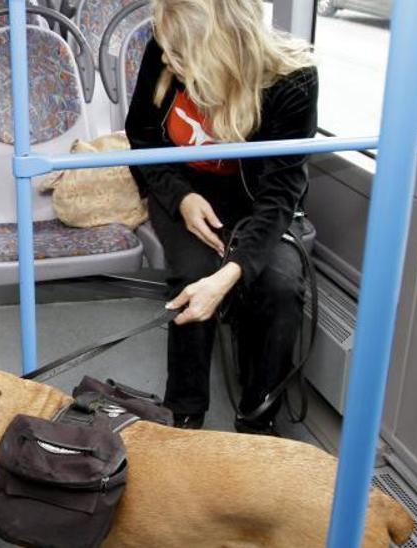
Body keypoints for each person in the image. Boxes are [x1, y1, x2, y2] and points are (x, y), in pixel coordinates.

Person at [125, 0, 318, 436]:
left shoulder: (295, 81)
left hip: (258, 202)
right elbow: (141, 137)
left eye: (180, 57)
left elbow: (279, 194)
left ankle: (258, 420)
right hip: (183, 186)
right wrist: (181, 199)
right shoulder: (167, 44)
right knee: (192, 273)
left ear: (217, 50)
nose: (167, 62)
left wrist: (232, 271)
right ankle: (185, 414)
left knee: (280, 286)